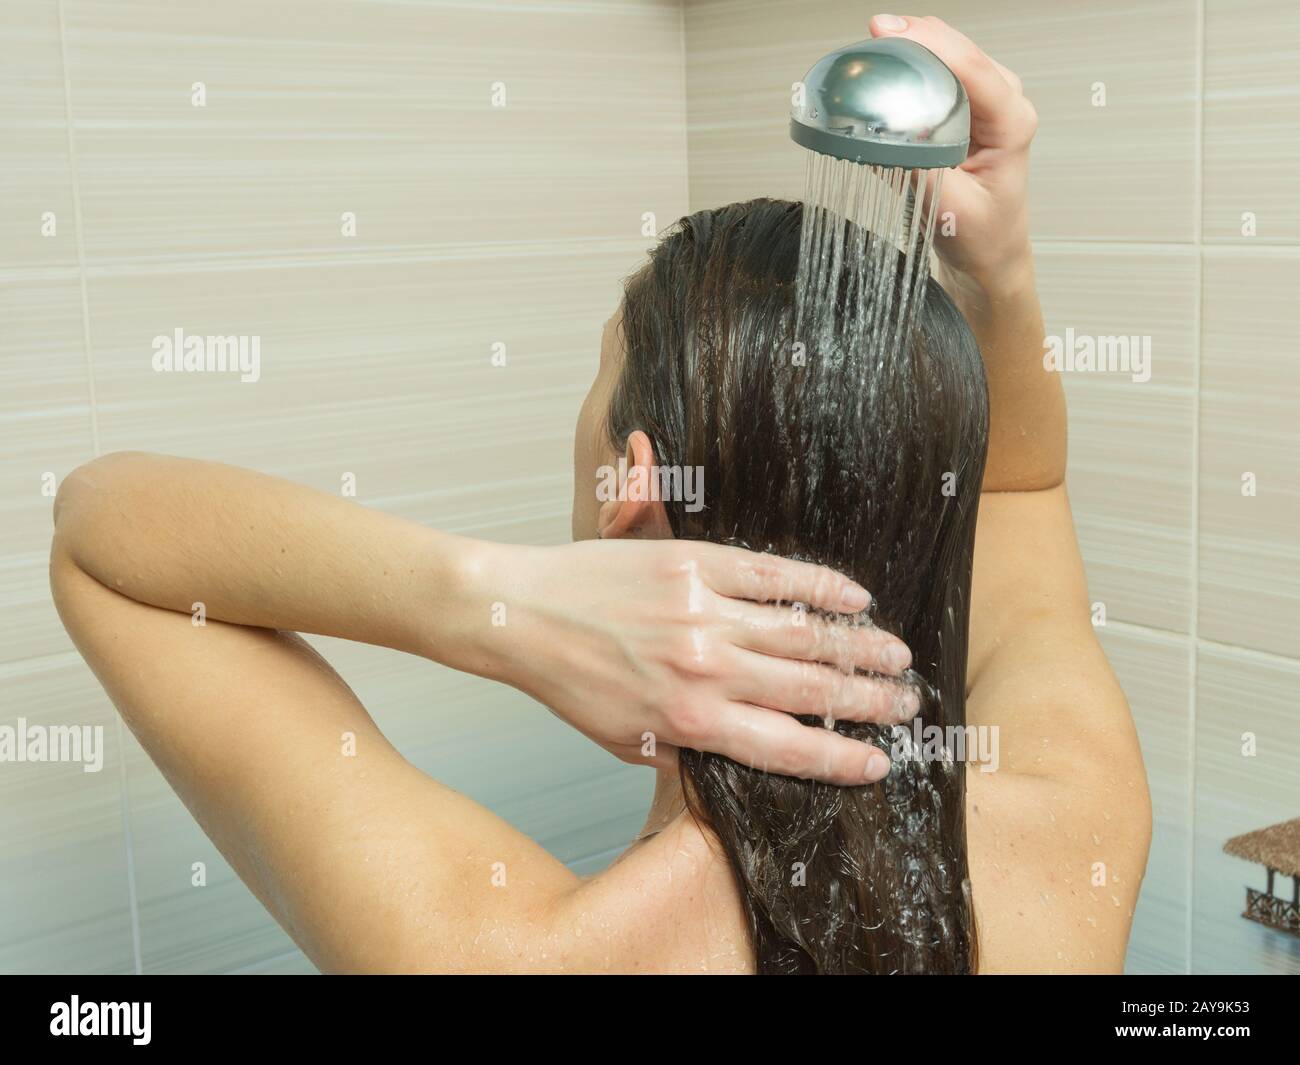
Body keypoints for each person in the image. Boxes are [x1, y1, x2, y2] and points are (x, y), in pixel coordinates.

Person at [49, 15, 1151, 974]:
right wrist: (1000, 271)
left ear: (631, 487)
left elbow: (98, 536)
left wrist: (494, 602)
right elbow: (1025, 481)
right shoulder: (1071, 828)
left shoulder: (510, 951)